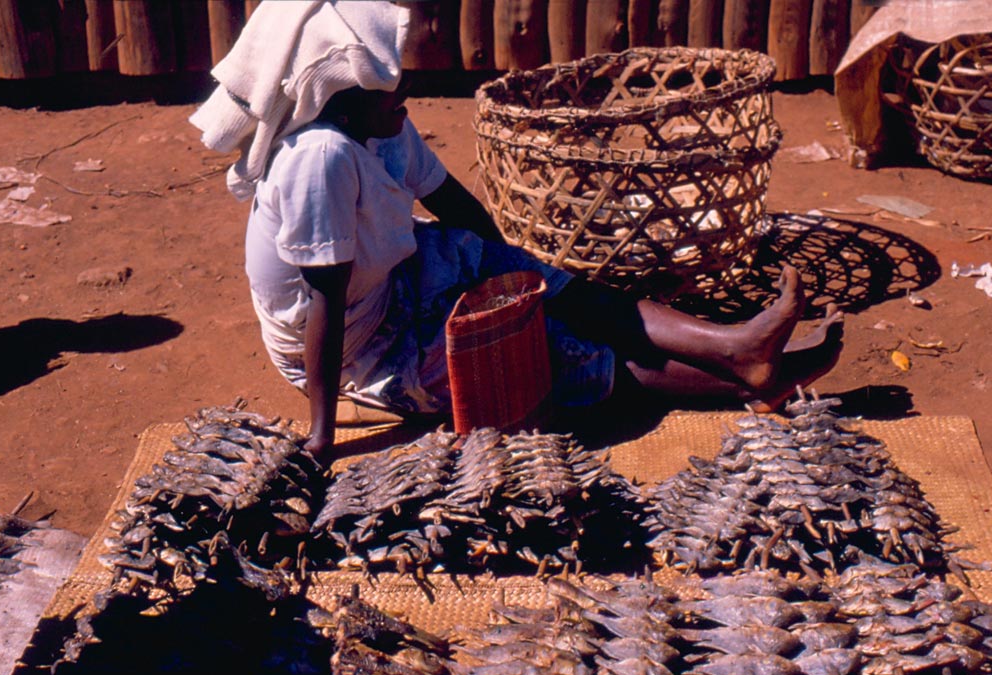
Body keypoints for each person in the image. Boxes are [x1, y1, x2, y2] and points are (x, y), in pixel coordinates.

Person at [190, 1, 843, 466]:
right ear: (338, 96)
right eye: (389, 86)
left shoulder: (381, 126)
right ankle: (748, 381)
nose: (407, 91)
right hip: (359, 346)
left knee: (555, 291)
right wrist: (322, 436)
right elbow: (325, 302)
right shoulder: (320, 159)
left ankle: (734, 343)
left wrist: (514, 279)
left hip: (397, 279)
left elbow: (457, 209)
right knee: (549, 357)